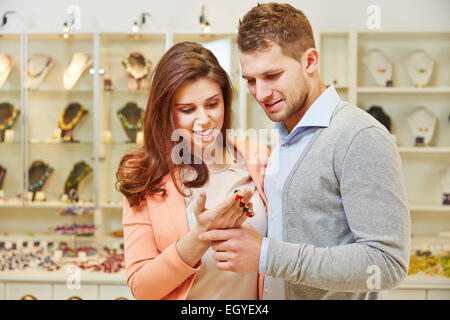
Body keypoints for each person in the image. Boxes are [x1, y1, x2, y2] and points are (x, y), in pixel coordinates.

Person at [199, 3, 411, 300]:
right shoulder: (285, 138)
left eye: (272, 75)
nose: (260, 94)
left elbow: (387, 264)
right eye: (250, 80)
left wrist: (266, 255)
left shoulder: (360, 136)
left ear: (310, 60)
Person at [116, 41, 269, 300]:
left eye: (212, 104)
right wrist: (199, 237)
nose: (204, 120)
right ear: (166, 113)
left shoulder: (257, 158)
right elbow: (141, 288)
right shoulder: (143, 174)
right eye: (187, 110)